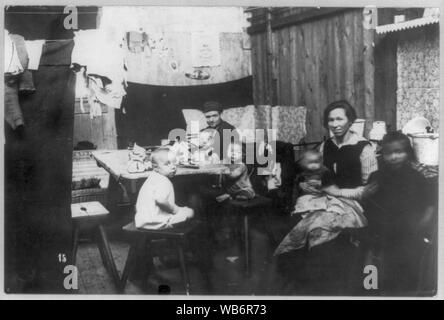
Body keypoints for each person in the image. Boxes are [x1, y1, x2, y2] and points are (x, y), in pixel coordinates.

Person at [276, 100, 378, 295]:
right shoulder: (326, 146)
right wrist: (306, 184)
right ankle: (305, 286)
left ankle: (326, 289)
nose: (335, 124)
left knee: (319, 229)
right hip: (323, 198)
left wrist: (337, 192)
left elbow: (369, 190)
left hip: (351, 203)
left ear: (351, 121)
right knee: (296, 221)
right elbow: (316, 174)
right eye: (330, 120)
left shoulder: (365, 148)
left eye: (340, 118)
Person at [363, 132, 435, 295]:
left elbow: (430, 205)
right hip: (381, 235)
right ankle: (374, 291)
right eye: (388, 153)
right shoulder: (377, 176)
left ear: (408, 153)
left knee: (406, 276)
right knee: (374, 275)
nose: (393, 157)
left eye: (399, 152)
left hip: (408, 235)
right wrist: (365, 195)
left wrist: (420, 227)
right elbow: (368, 207)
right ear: (383, 154)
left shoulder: (417, 178)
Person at [274, 149, 367, 255]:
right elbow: (296, 187)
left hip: (323, 195)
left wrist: (321, 185)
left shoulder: (324, 172)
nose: (314, 166)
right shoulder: (301, 174)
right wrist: (300, 185)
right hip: (307, 197)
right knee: (303, 206)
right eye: (310, 163)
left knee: (335, 207)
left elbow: (331, 186)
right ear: (304, 163)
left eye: (316, 162)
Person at [134, 148, 194, 230]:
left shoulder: (152, 178)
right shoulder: (163, 181)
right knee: (189, 212)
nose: (173, 167)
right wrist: (175, 210)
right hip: (155, 222)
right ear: (156, 168)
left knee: (182, 210)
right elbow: (160, 200)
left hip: (142, 220)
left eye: (174, 162)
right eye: (167, 164)